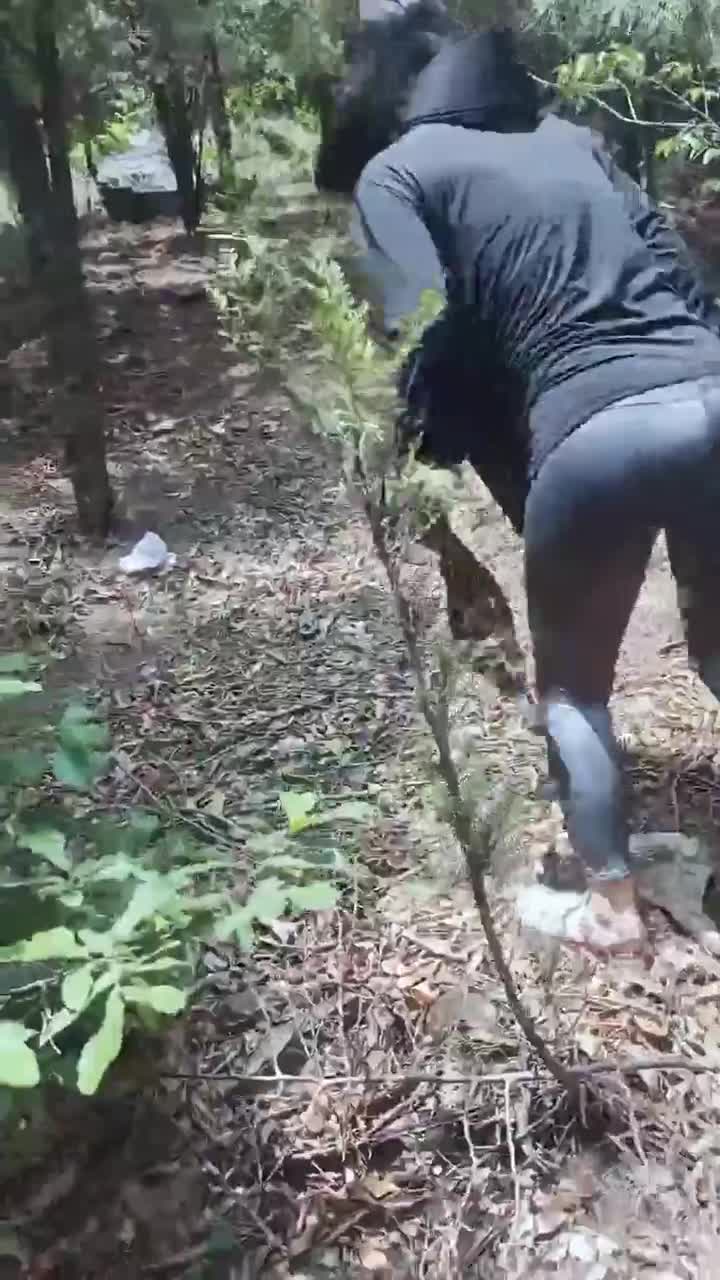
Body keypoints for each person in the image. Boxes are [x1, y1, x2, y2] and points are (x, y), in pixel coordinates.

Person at [315, 14, 720, 954]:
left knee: (575, 693)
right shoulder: (571, 138)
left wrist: (427, 453)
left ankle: (611, 909)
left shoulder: (397, 172)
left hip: (596, 430)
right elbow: (681, 272)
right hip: (711, 386)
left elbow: (425, 326)